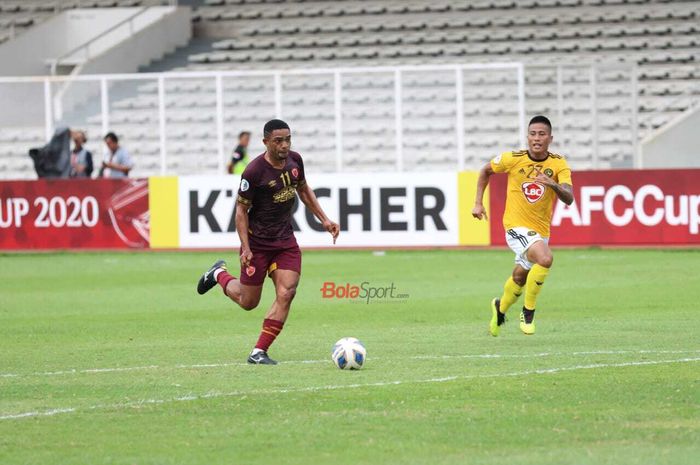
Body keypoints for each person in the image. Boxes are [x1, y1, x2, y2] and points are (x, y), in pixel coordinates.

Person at [197, 119, 340, 365]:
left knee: (287, 292)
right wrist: (246, 248)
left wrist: (324, 219)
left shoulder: (295, 160)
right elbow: (241, 212)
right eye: (278, 141)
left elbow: (304, 190)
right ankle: (219, 274)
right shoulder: (253, 172)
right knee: (248, 302)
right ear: (266, 142)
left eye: (287, 139)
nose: (284, 145)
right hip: (258, 243)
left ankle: (258, 351)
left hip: (284, 240)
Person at [472, 115, 574, 336]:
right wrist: (478, 202)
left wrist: (553, 185)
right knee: (545, 258)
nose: (536, 138)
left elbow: (569, 198)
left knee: (520, 277)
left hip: (541, 230)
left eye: (542, 134)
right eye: (533, 134)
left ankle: (500, 309)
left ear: (550, 138)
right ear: (527, 137)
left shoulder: (558, 163)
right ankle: (528, 312)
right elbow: (485, 171)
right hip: (515, 226)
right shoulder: (513, 158)